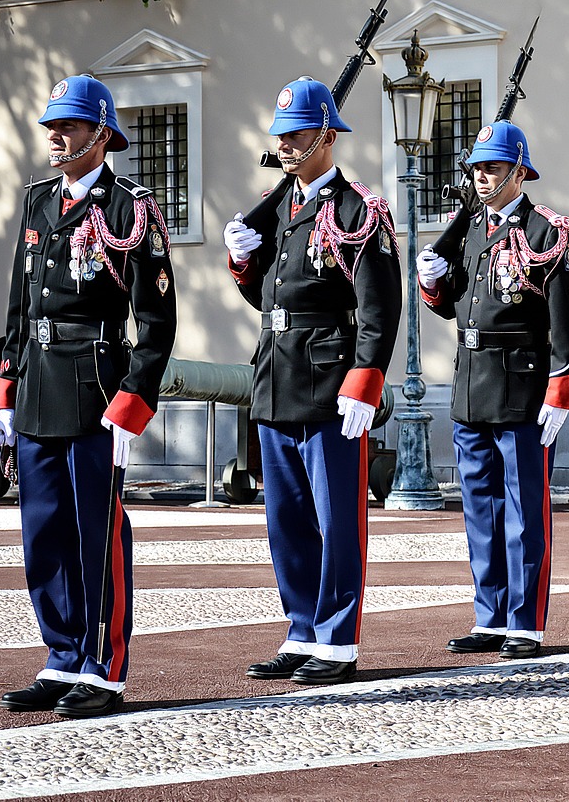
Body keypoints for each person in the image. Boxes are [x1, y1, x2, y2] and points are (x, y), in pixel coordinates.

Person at [0, 74, 177, 718]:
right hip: (38, 383)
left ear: (101, 134)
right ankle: (61, 654)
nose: (54, 137)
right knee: (44, 532)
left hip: (95, 388)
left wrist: (133, 402)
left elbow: (157, 323)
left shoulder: (132, 209)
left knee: (97, 530)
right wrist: (4, 393)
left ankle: (104, 668)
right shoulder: (38, 202)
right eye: (50, 126)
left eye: (66, 126)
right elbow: (18, 305)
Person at [225, 77, 401, 686]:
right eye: (281, 135)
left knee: (336, 518)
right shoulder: (282, 208)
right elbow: (273, 298)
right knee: (289, 520)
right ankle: (301, 627)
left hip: (331, 383)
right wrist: (244, 261)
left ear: (326, 134)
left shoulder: (359, 209)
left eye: (297, 133)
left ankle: (338, 639)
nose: (286, 144)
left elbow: (380, 308)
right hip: (276, 376)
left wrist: (367, 378)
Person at [418, 119, 569, 659]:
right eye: (476, 168)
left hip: (522, 386)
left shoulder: (548, 231)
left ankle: (525, 621)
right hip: (472, 382)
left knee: (523, 511)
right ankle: (489, 615)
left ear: (519, 170)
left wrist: (563, 388)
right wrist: (431, 280)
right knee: (480, 511)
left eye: (493, 167)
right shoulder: (468, 228)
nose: (482, 176)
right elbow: (454, 304)